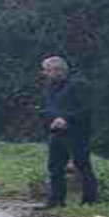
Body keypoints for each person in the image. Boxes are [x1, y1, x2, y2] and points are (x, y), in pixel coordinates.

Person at [38, 55, 97, 208]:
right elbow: (48, 108)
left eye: (47, 70)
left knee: (82, 165)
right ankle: (56, 200)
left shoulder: (78, 84)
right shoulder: (49, 86)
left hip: (77, 131)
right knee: (55, 166)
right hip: (56, 131)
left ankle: (89, 201)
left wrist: (66, 119)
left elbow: (87, 108)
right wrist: (51, 120)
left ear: (58, 70)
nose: (45, 73)